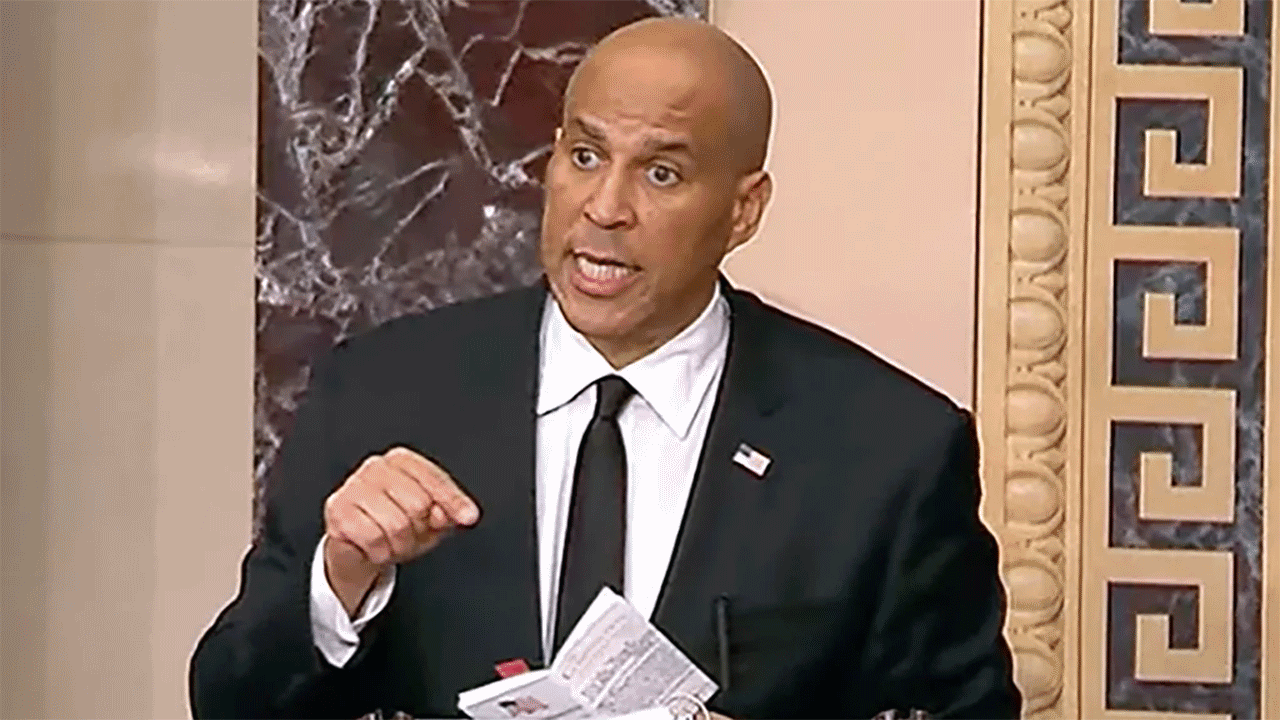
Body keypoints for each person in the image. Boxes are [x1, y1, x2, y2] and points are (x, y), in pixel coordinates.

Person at [189, 16, 1020, 720]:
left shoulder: (886, 450)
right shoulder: (381, 393)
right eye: (585, 157)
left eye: (662, 173)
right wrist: (342, 581)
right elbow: (230, 698)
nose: (606, 207)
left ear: (743, 210)